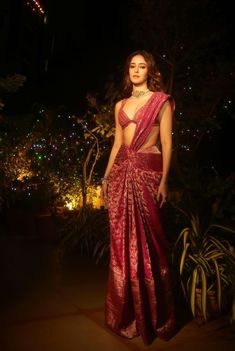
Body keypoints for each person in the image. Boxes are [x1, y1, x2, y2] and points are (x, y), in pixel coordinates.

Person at [101, 50, 176, 345]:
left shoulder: (161, 101)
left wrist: (165, 181)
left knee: (151, 243)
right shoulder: (120, 104)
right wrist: (106, 177)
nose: (136, 70)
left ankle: (156, 315)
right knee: (122, 245)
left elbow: (168, 142)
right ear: (127, 71)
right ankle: (127, 312)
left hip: (148, 172)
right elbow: (118, 143)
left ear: (149, 71)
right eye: (131, 65)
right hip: (122, 173)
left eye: (141, 66)